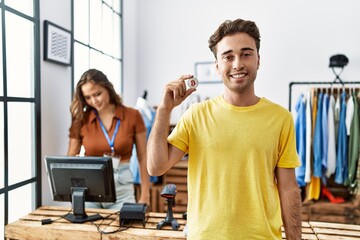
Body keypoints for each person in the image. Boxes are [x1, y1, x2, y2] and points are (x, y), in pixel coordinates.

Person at [147, 19, 302, 239]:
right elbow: (155, 167)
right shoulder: (196, 115)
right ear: (218, 66)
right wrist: (164, 109)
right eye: (228, 57)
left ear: (258, 60)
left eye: (246, 54)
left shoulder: (280, 118)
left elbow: (288, 188)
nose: (237, 64)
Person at [67, 68, 150, 210]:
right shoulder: (81, 119)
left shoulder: (133, 115)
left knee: (122, 230)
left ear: (108, 88)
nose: (94, 101)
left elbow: (143, 157)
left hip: (122, 188)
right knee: (88, 231)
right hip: (89, 187)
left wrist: (145, 195)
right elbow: (70, 158)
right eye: (88, 97)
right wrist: (71, 193)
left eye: (97, 94)